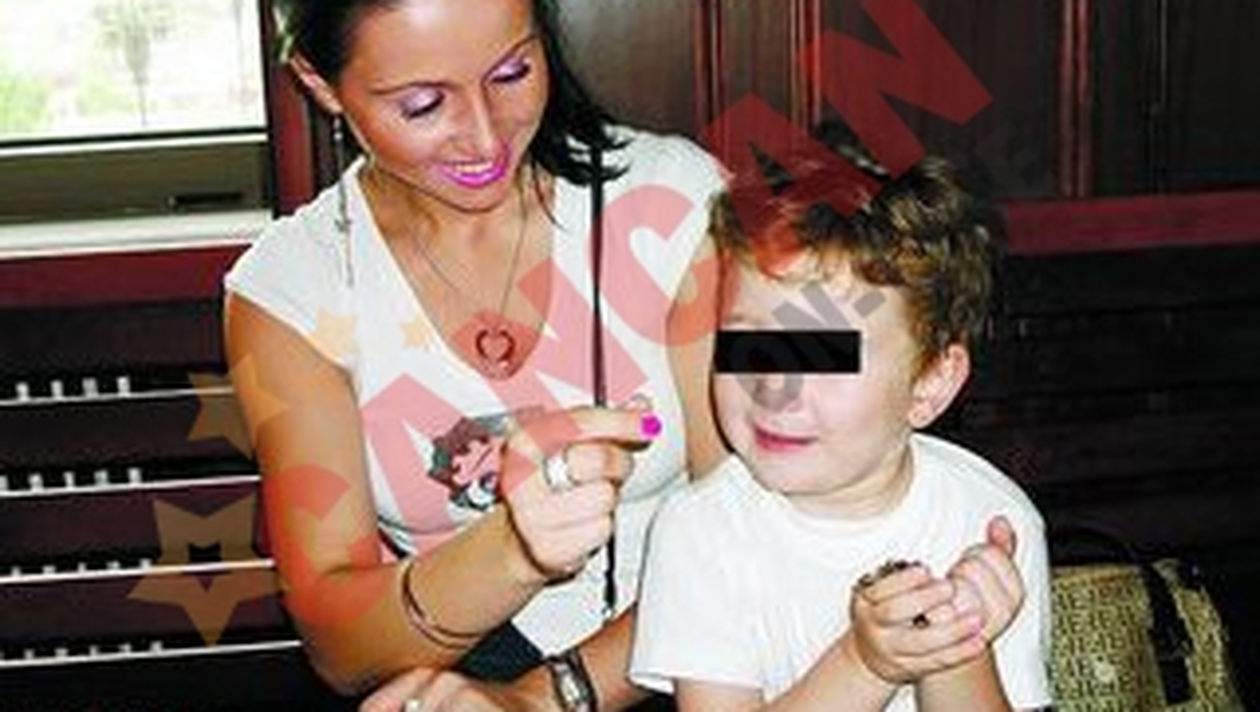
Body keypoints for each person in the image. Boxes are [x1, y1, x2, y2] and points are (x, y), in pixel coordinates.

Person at [223, 0, 727, 708]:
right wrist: (514, 549)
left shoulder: (677, 199)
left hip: (710, 666)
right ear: (319, 83)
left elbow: (763, 540)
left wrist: (543, 699)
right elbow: (339, 645)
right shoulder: (291, 291)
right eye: (423, 105)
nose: (487, 138)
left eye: (512, 72)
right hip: (463, 677)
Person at [629, 132, 1053, 711]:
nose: (774, 388)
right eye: (748, 343)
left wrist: (958, 648)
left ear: (930, 383)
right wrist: (865, 665)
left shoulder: (989, 522)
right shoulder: (701, 531)